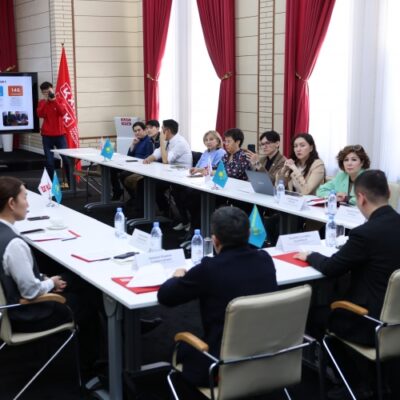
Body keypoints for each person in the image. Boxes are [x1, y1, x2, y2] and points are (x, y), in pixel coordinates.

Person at [158, 206, 277, 386]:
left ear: (215, 240)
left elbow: (165, 296)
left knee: (179, 348)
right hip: (268, 356)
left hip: (220, 364)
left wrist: (177, 277)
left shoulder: (209, 269)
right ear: (248, 234)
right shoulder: (265, 259)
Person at [295, 169, 400, 345]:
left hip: (369, 322)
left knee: (312, 313)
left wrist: (310, 255)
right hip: (395, 321)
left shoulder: (364, 234)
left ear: (361, 198)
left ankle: (334, 360)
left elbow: (330, 268)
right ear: (388, 193)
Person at [0, 176, 70, 331]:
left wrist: (44, 278)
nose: (28, 204)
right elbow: (30, 292)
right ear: (11, 203)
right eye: (25, 198)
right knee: (85, 297)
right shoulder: (14, 244)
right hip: (24, 315)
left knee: (67, 278)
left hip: (8, 309)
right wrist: (52, 282)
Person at [173, 130, 226, 233]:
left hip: (210, 182)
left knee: (190, 195)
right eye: (206, 140)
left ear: (218, 141)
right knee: (176, 189)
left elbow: (214, 168)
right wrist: (194, 170)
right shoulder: (206, 152)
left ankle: (195, 225)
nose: (208, 142)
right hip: (198, 179)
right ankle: (185, 220)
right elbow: (197, 165)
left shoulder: (221, 152)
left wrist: (198, 170)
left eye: (211, 139)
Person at [143, 119, 192, 216]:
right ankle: (164, 211)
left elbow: (166, 160)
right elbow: (158, 152)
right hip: (170, 173)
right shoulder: (168, 140)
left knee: (154, 186)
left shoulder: (180, 142)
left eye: (162, 128)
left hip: (181, 176)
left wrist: (161, 140)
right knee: (145, 183)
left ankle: (174, 215)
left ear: (167, 131)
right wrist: (149, 158)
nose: (161, 131)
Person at [37, 81, 71, 188]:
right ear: (42, 93)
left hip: (60, 135)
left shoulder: (60, 100)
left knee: (66, 159)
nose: (47, 94)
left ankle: (71, 183)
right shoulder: (42, 102)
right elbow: (40, 114)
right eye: (44, 92)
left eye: (48, 91)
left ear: (52, 89)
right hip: (47, 136)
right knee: (50, 162)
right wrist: (47, 102)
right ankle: (50, 185)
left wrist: (54, 100)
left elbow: (62, 112)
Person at [110, 121, 153, 201]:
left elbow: (148, 157)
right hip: (133, 165)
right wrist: (133, 144)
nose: (137, 133)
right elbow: (129, 155)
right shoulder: (137, 141)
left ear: (144, 130)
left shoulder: (149, 141)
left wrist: (136, 161)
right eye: (135, 131)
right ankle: (117, 191)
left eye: (139, 130)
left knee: (123, 175)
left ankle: (134, 197)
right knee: (112, 169)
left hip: (141, 166)